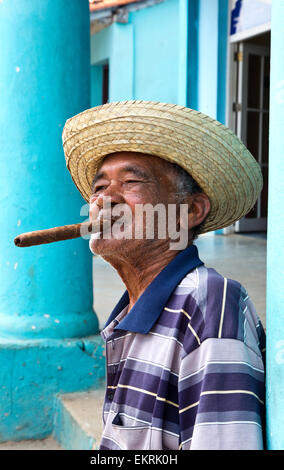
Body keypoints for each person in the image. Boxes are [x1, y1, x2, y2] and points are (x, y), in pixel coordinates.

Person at [62, 101, 266, 450]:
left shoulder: (209, 306)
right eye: (98, 188)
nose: (104, 200)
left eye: (130, 182)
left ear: (190, 211)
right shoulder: (131, 311)